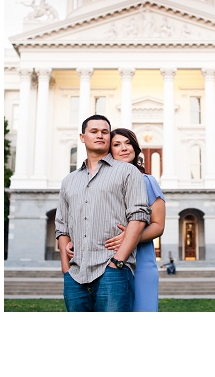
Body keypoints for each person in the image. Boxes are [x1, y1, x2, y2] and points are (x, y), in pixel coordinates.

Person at [55, 115, 150, 311]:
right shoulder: (69, 181)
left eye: (105, 132)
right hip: (75, 274)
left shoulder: (127, 172)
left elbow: (139, 216)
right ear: (82, 137)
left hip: (112, 271)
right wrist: (66, 269)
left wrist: (118, 261)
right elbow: (61, 226)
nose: (100, 135)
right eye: (94, 131)